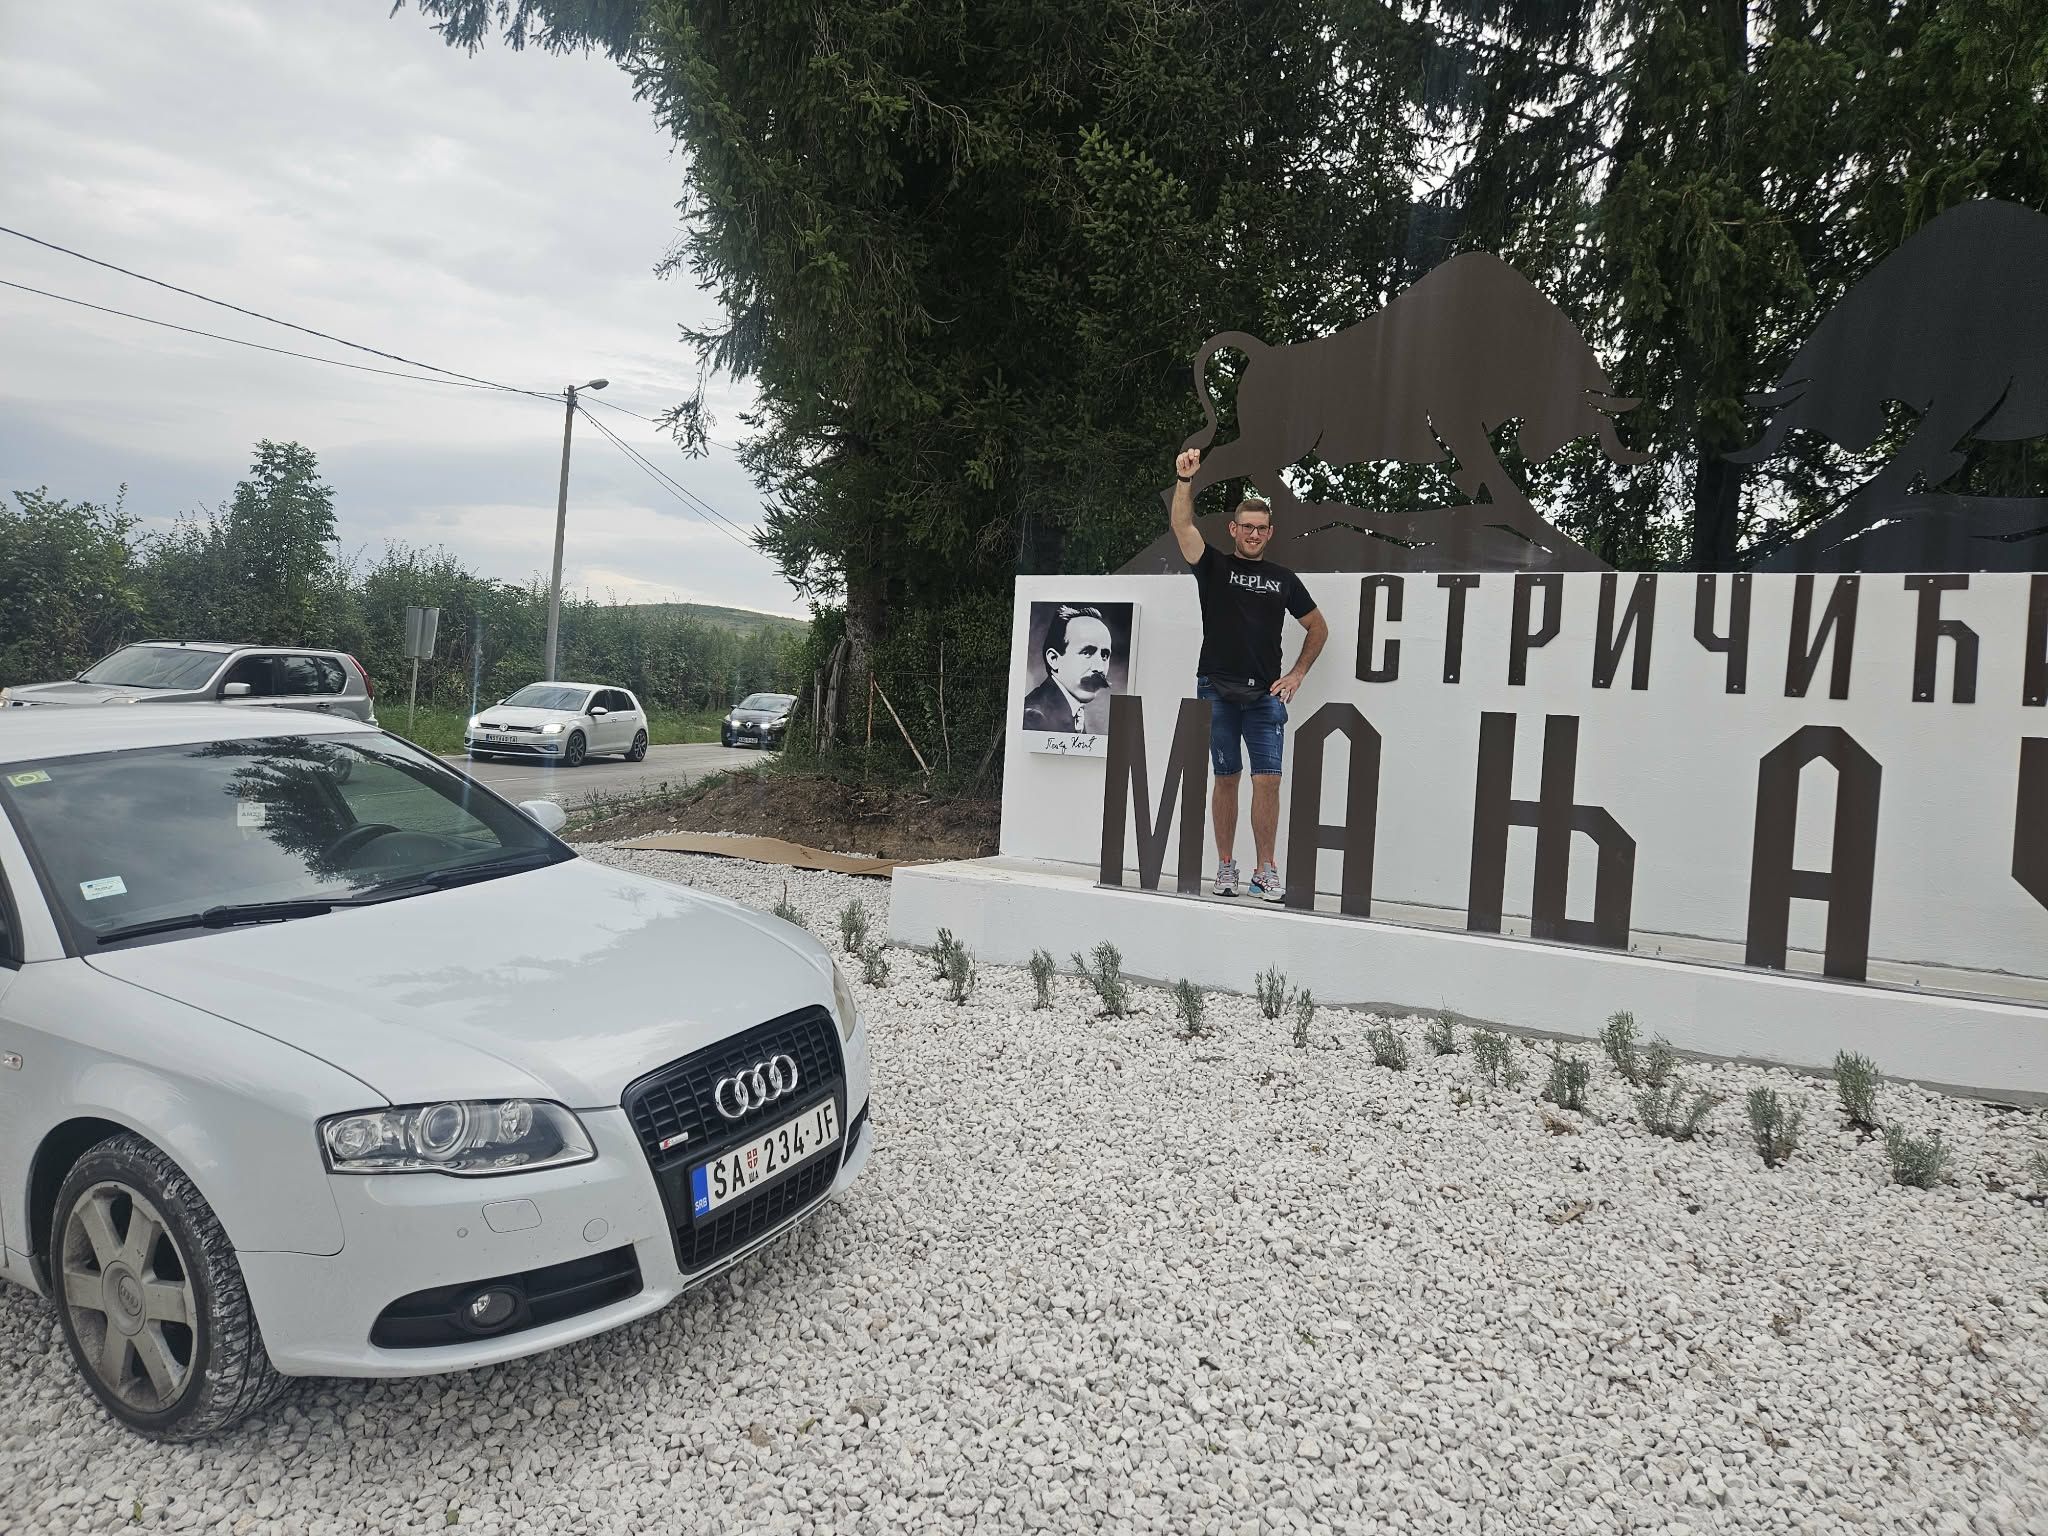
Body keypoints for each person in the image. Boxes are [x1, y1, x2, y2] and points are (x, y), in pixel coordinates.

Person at [1169, 446, 1328, 900]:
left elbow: (1318, 627)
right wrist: (1185, 480)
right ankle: (1226, 867)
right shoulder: (1213, 566)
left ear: (1269, 533)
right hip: (1215, 689)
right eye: (1247, 527)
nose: (1254, 534)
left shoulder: (1283, 578)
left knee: (1268, 780)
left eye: (1261, 528)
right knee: (1226, 778)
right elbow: (1182, 526)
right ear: (1233, 529)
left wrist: (1297, 674)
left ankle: (1265, 871)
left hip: (1264, 697)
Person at [1021, 603, 1118, 733]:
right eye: (1086, 652)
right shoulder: (1034, 718)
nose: (1099, 667)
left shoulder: (1073, 709)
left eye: (1104, 655)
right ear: (1053, 659)